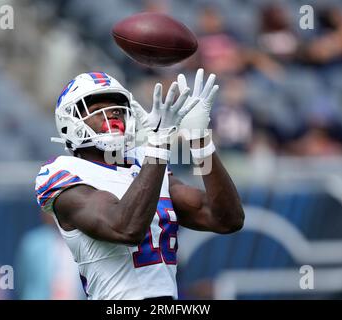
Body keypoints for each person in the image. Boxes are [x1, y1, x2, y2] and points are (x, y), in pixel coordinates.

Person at [35, 69, 244, 300]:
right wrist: (158, 146)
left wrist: (200, 141)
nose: (112, 115)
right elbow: (125, 228)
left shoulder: (146, 165)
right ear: (70, 122)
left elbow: (227, 219)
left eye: (117, 109)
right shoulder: (64, 172)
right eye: (97, 111)